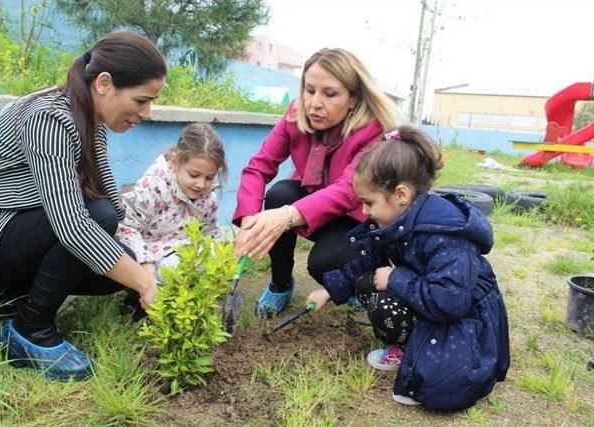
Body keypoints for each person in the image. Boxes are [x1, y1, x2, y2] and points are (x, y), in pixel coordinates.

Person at [0, 31, 167, 381]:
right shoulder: (50, 119)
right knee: (96, 222)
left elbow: (113, 205)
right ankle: (28, 330)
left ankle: (14, 301)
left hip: (12, 227)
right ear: (104, 83)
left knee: (112, 238)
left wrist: (140, 264)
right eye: (142, 100)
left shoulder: (88, 118)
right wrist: (144, 283)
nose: (146, 112)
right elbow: (71, 226)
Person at [308, 125, 510, 411]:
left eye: (369, 203)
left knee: (442, 389)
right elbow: (367, 262)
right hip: (431, 299)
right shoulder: (397, 223)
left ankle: (418, 355)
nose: (364, 213)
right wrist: (328, 291)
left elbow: (451, 301)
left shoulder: (446, 236)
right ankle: (409, 350)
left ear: (401, 194)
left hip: (465, 316)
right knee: (370, 285)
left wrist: (396, 278)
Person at [232, 48, 400, 317]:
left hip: (354, 217)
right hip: (313, 203)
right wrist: (250, 221)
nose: (315, 103)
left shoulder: (372, 131)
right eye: (309, 90)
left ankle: (361, 281)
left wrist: (285, 217)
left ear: (353, 99)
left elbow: (349, 190)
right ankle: (281, 284)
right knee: (280, 194)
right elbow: (259, 167)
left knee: (323, 263)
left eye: (330, 94)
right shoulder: (296, 115)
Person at [116, 122, 226, 281]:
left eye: (209, 177)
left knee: (218, 261)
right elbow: (127, 227)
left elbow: (209, 233)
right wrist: (145, 262)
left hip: (187, 251)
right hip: (153, 257)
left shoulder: (208, 196)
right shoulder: (154, 186)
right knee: (175, 269)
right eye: (194, 175)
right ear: (175, 162)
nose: (201, 184)